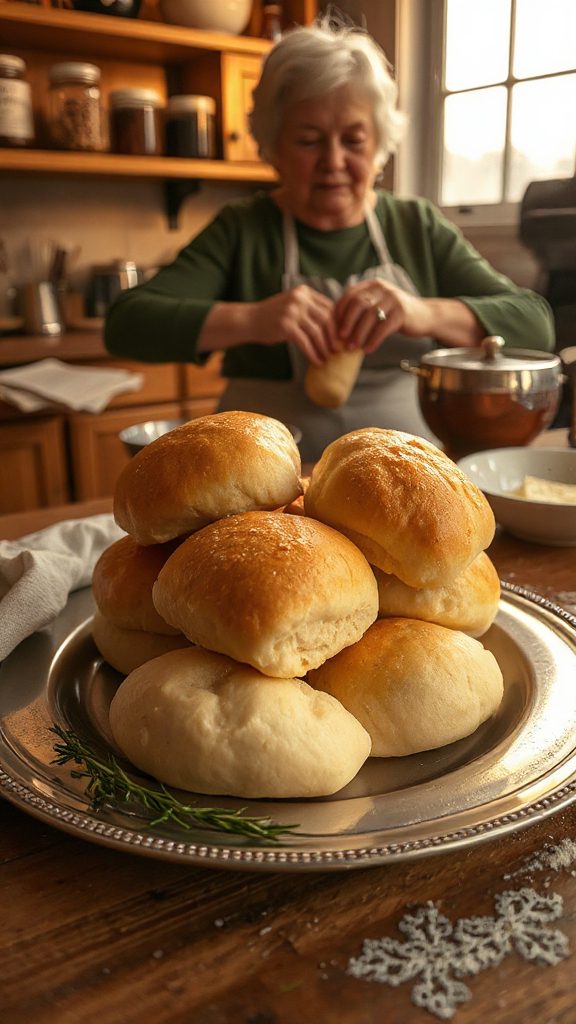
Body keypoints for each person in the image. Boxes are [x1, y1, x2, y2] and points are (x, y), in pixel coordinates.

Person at [104, 17, 555, 463]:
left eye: (354, 140)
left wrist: (423, 311)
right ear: (273, 144)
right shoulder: (243, 229)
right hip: (268, 479)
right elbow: (126, 325)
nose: (333, 161)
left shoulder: (413, 225)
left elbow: (535, 321)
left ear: (379, 145)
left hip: (406, 469)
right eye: (309, 140)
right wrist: (253, 319)